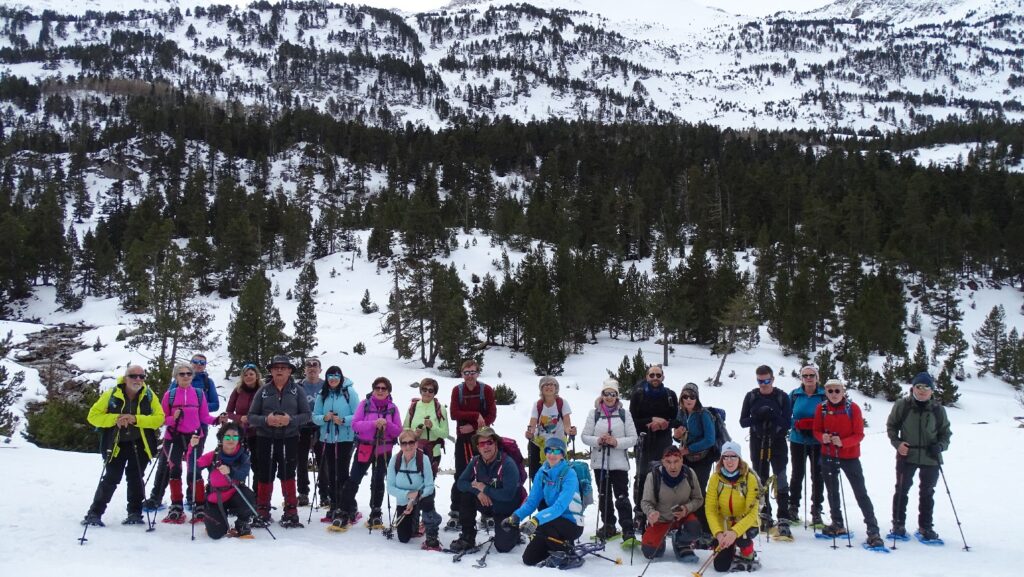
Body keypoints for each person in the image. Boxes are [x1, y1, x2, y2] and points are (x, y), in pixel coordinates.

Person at [81, 366, 165, 527]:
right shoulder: (112, 394)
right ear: (125, 378)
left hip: (140, 444)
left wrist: (136, 419)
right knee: (111, 478)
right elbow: (93, 416)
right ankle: (94, 513)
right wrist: (116, 419)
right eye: (133, 376)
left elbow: (159, 418)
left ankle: (135, 513)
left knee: (136, 478)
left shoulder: (149, 395)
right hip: (116, 444)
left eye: (142, 376)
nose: (138, 379)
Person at [812, 379, 884, 547]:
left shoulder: (853, 408)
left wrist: (843, 443)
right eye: (830, 391)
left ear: (843, 391)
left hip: (850, 456)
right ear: (826, 392)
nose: (834, 394)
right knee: (832, 491)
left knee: (860, 492)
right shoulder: (821, 408)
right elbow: (816, 430)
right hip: (828, 454)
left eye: (837, 390)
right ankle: (837, 522)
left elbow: (859, 434)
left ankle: (872, 529)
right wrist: (822, 437)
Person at [144, 356, 219, 511]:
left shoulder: (199, 394)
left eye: (188, 374)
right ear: (176, 377)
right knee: (175, 469)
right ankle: (176, 503)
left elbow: (205, 417)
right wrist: (173, 418)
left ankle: (197, 502)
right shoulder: (169, 395)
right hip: (173, 437)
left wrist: (217, 420)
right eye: (182, 374)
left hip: (194, 437)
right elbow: (162, 419)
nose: (185, 376)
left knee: (194, 470)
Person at [247, 354, 312, 528]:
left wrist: (290, 420)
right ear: (271, 371)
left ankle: (291, 510)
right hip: (265, 438)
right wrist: (266, 420)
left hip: (289, 438)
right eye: (276, 368)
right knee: (265, 473)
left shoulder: (298, 391)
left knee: (288, 473)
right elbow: (251, 416)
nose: (280, 370)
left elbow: (307, 415)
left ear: (290, 371)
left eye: (283, 368)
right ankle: (262, 510)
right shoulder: (263, 391)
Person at [886, 371, 952, 542]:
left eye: (926, 387)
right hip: (907, 454)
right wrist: (897, 444)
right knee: (902, 489)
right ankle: (898, 524)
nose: (922, 390)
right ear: (913, 388)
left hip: (931, 456)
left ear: (932, 390)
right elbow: (891, 426)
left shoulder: (938, 409)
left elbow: (946, 433)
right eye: (919, 386)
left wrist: (940, 446)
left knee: (927, 492)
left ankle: (925, 526)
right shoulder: (903, 405)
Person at [504, 437, 584, 567]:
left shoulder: (569, 474)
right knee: (529, 559)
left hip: (572, 523)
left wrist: (536, 520)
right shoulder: (542, 472)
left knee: (544, 524)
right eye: (549, 450)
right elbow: (532, 502)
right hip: (551, 521)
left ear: (562, 454)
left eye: (556, 451)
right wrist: (515, 517)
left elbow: (559, 507)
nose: (552, 454)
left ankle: (567, 555)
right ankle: (558, 546)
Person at [337, 376, 402, 530]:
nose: (380, 391)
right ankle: (344, 511)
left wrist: (387, 424)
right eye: (377, 388)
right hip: (364, 448)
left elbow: (398, 430)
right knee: (354, 479)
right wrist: (374, 423)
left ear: (388, 391)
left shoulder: (393, 408)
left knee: (378, 481)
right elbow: (355, 425)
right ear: (373, 389)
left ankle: (376, 512)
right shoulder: (364, 404)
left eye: (383, 388)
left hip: (383, 449)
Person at [581, 378, 638, 542]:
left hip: (619, 463)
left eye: (613, 394)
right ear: (602, 395)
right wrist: (599, 440)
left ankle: (627, 528)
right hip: (600, 462)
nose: (609, 397)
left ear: (617, 396)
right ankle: (608, 525)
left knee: (621, 496)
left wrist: (616, 442)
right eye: (606, 394)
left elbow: (633, 438)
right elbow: (585, 436)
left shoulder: (624, 414)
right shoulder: (594, 414)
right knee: (603, 495)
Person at [738, 364, 792, 538]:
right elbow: (743, 422)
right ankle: (764, 512)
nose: (763, 384)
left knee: (780, 477)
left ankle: (783, 516)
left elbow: (788, 423)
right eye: (760, 381)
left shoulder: (782, 397)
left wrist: (773, 415)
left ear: (773, 379)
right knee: (760, 478)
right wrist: (757, 416)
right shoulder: (751, 396)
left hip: (777, 442)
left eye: (766, 381)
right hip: (757, 441)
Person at [450, 426, 522, 554]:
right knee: (467, 495)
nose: (486, 447)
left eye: (489, 442)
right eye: (482, 444)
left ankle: (514, 532)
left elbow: (509, 495)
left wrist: (485, 489)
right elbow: (461, 483)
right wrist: (478, 492)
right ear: (478, 447)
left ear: (496, 444)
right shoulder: (476, 462)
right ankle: (468, 536)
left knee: (503, 547)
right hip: (487, 503)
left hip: (505, 508)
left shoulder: (508, 464)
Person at [447, 359, 497, 530]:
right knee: (461, 474)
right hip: (463, 440)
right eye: (466, 373)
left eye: (472, 372)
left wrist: (473, 427)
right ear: (462, 374)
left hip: (483, 440)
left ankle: (486, 511)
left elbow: (491, 415)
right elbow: (454, 413)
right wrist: (476, 415)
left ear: (478, 373)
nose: (469, 376)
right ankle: (457, 511)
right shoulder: (458, 390)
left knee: (486, 474)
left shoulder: (486, 390)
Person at [628, 364, 678, 527]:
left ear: (663, 377)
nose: (655, 378)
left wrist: (665, 424)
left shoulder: (670, 395)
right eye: (652, 375)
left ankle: (662, 513)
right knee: (642, 477)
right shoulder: (638, 394)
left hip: (664, 442)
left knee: (663, 476)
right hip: (643, 441)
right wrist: (650, 421)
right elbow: (631, 421)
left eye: (658, 375)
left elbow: (676, 419)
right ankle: (640, 513)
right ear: (646, 377)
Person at [639, 446, 704, 562]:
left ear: (682, 460)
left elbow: (698, 499)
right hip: (661, 519)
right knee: (651, 552)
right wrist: (651, 512)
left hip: (682, 518)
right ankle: (661, 540)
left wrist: (686, 508)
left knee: (695, 529)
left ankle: (681, 541)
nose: (672, 466)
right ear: (663, 462)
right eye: (668, 462)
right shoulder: (653, 476)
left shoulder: (689, 473)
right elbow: (646, 502)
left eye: (676, 461)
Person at [705, 442, 762, 572]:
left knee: (743, 538)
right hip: (724, 525)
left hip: (745, 523)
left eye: (733, 456)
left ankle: (748, 553)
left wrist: (735, 532)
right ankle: (730, 549)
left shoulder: (749, 479)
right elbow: (710, 509)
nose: (729, 461)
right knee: (721, 567)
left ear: (739, 459)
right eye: (725, 457)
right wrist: (718, 534)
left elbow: (752, 512)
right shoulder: (715, 478)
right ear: (721, 459)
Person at [312, 364, 359, 521]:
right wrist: (324, 418)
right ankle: (334, 504)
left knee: (343, 473)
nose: (333, 379)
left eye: (336, 376)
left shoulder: (349, 392)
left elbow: (358, 415)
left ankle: (348, 506)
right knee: (331, 472)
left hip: (345, 438)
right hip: (328, 438)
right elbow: (315, 416)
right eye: (330, 376)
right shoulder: (323, 393)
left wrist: (344, 420)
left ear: (341, 377)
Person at [193, 423, 255, 539]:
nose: (231, 439)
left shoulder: (243, 456)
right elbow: (194, 467)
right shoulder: (213, 455)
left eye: (235, 436)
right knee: (216, 534)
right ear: (221, 438)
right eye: (227, 436)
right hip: (215, 497)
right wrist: (193, 448)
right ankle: (216, 520)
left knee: (249, 497)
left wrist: (230, 471)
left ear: (239, 439)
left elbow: (243, 474)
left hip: (234, 493)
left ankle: (242, 523)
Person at [672, 382, 716, 537]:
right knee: (686, 491)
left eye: (692, 396)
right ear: (681, 398)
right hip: (687, 458)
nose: (689, 399)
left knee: (699, 492)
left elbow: (710, 439)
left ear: (697, 398)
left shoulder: (704, 414)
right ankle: (690, 525)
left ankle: (706, 529)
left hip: (703, 458)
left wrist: (689, 449)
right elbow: (680, 436)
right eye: (685, 396)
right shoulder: (681, 414)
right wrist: (676, 436)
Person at [386, 428, 442, 550]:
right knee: (404, 538)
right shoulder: (395, 460)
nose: (408, 446)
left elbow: (429, 486)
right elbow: (390, 488)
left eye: (411, 442)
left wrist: (414, 498)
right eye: (404, 443)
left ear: (416, 443)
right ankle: (415, 521)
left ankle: (431, 527)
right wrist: (408, 495)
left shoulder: (423, 459)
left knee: (427, 501)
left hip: (422, 496)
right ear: (400, 445)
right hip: (404, 500)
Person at [787, 365, 825, 526]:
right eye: (805, 376)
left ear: (817, 377)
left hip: (818, 442)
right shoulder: (794, 395)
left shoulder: (824, 395)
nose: (808, 378)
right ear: (801, 378)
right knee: (797, 474)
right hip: (798, 440)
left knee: (818, 475)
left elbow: (829, 415)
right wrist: (797, 425)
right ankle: (793, 507)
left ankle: (816, 510)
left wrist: (816, 426)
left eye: (812, 375)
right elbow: (785, 415)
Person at [219, 363, 262, 487]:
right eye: (245, 375)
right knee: (238, 462)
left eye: (251, 374)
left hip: (258, 432)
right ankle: (235, 489)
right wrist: (239, 418)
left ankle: (257, 493)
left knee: (257, 463)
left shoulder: (263, 390)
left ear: (257, 376)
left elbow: (267, 410)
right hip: (239, 432)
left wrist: (255, 419)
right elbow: (229, 412)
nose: (248, 377)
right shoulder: (238, 391)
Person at [526, 376, 575, 482]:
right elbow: (533, 422)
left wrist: (570, 431)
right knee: (538, 476)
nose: (549, 387)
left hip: (557, 444)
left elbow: (567, 423)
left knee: (558, 475)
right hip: (540, 444)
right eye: (546, 385)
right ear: (541, 389)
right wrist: (530, 432)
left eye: (552, 384)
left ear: (556, 388)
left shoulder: (562, 403)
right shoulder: (538, 405)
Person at [404, 377, 449, 475]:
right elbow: (405, 429)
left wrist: (433, 427)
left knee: (429, 482)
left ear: (435, 392)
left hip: (434, 452)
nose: (427, 393)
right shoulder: (413, 407)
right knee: (413, 482)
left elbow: (445, 433)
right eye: (424, 389)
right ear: (420, 390)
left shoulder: (440, 409)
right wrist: (414, 433)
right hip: (413, 452)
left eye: (431, 390)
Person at [296, 357, 324, 506]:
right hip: (302, 427)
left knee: (323, 460)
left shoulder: (326, 386)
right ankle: (303, 492)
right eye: (309, 366)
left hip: (320, 427)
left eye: (315, 366)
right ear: (305, 370)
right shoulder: (298, 386)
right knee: (301, 461)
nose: (312, 368)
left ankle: (324, 493)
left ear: (320, 370)